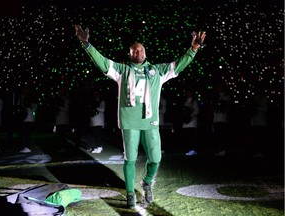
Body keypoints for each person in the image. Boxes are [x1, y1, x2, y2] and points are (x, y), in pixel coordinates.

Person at [75, 24, 206, 209]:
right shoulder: (121, 70)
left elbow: (179, 65)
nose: (139, 52)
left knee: (156, 158)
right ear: (130, 54)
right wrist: (86, 44)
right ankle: (130, 193)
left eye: (141, 50)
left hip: (150, 122)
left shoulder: (157, 71)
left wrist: (193, 49)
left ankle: (147, 182)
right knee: (130, 159)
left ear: (145, 53)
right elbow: (102, 61)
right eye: (135, 51)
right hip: (130, 122)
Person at [212, 86, 231, 156]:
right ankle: (219, 150)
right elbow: (214, 111)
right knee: (218, 136)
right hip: (217, 120)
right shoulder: (217, 98)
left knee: (222, 135)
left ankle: (223, 150)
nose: (219, 91)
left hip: (222, 119)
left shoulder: (226, 98)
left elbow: (225, 108)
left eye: (221, 90)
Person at [19, 84, 38, 153]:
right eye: (24, 88)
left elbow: (35, 107)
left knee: (27, 133)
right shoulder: (20, 96)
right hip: (22, 117)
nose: (25, 90)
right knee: (22, 133)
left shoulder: (31, 97)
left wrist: (30, 107)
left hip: (29, 117)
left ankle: (28, 147)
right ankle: (24, 146)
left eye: (27, 89)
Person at [181, 89, 199, 156]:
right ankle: (189, 150)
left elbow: (196, 111)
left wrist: (189, 116)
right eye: (187, 93)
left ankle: (193, 150)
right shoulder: (185, 102)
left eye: (189, 93)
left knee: (192, 137)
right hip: (186, 123)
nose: (187, 94)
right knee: (187, 137)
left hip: (192, 123)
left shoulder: (194, 102)